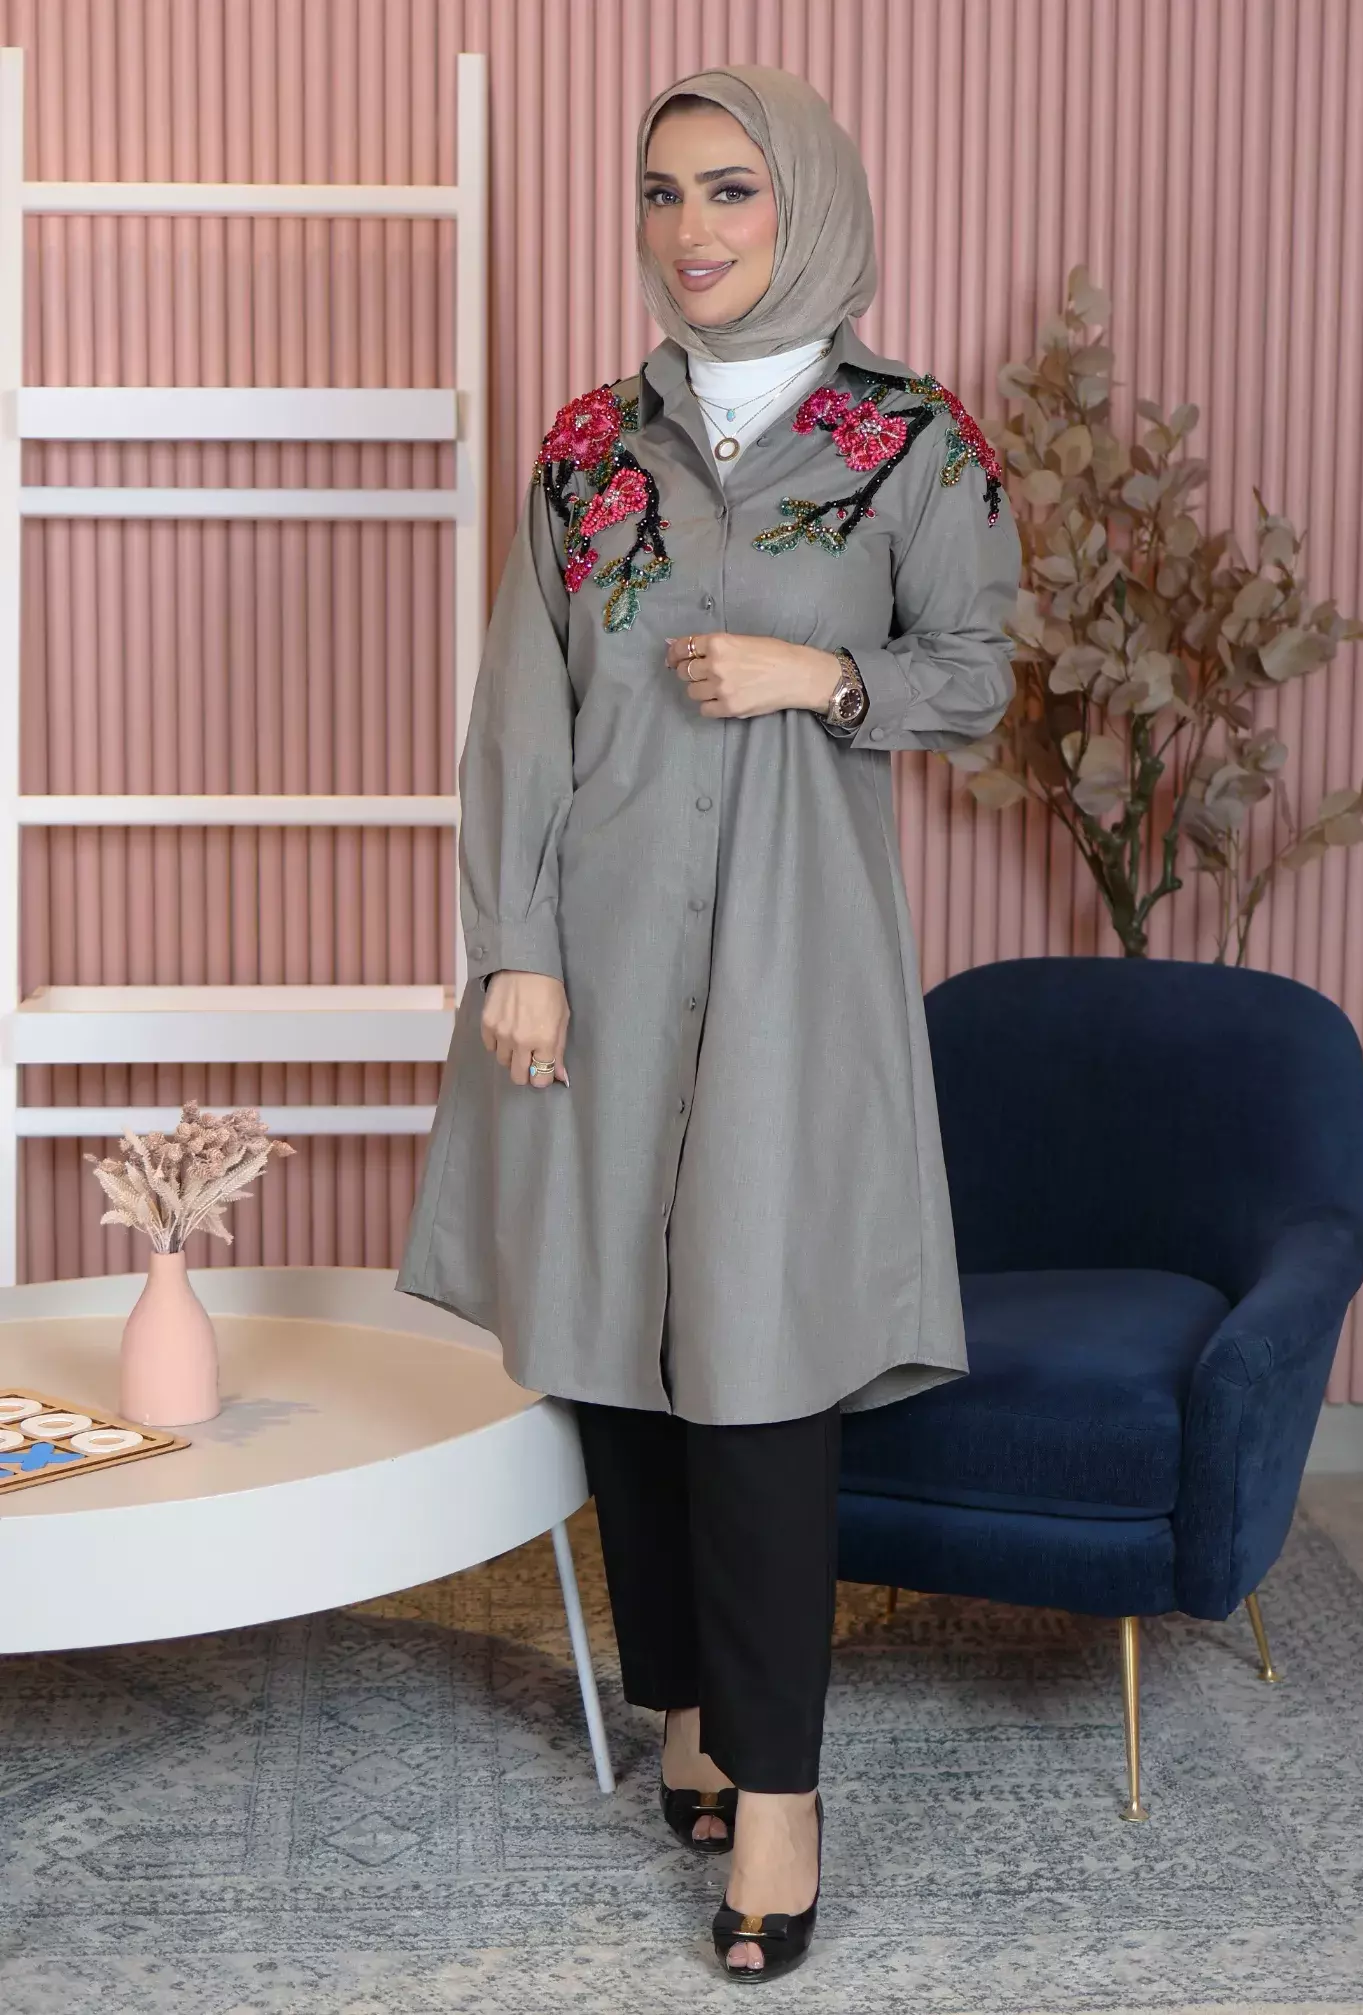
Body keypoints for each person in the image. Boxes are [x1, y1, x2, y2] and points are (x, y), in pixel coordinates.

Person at [396, 61, 1020, 1983]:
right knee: (616, 1347)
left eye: (730, 189)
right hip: (588, 958)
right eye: (663, 192)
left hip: (789, 966)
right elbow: (522, 711)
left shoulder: (911, 442)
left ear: (802, 199)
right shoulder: (591, 448)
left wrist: (822, 675)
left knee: (755, 1363)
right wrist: (513, 945)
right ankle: (683, 1700)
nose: (691, 229)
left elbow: (981, 672)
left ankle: (781, 1793)